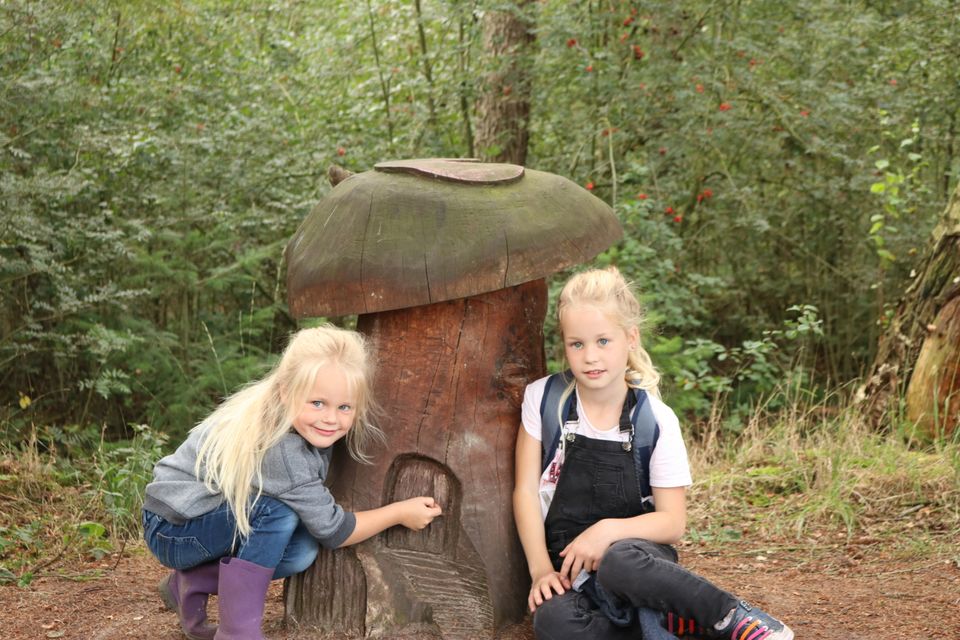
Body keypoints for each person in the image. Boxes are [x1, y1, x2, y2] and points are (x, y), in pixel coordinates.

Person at [513, 267, 793, 640]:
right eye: (576, 344)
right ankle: (662, 619)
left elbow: (672, 523)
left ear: (630, 338)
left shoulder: (655, 420)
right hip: (570, 568)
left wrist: (607, 532)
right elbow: (526, 492)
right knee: (552, 621)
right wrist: (540, 570)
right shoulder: (544, 399)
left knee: (618, 562)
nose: (590, 357)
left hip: (636, 561)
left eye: (603, 341)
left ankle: (727, 616)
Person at [142, 325, 442, 640]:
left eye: (344, 407)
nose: (330, 418)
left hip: (207, 518)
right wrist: (399, 512)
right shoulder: (283, 451)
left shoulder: (295, 419)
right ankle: (237, 634)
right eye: (317, 403)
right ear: (286, 392)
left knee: (301, 551)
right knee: (279, 514)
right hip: (172, 527)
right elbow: (334, 531)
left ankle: (191, 582)